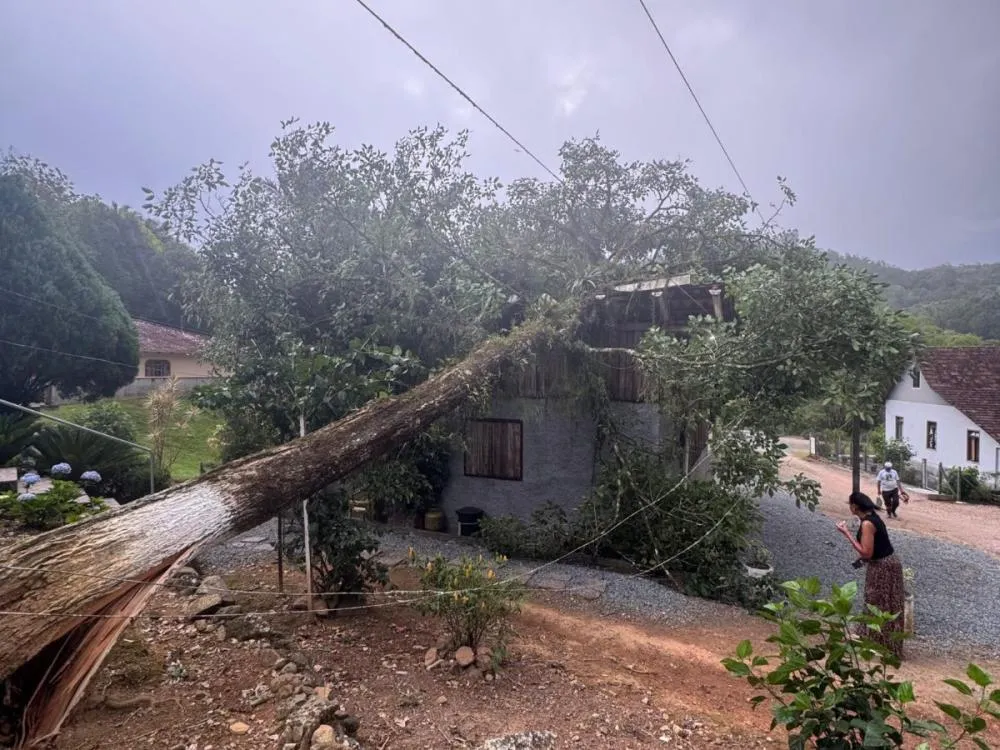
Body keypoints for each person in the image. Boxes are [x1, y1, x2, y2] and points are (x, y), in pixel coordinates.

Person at [836, 492, 904, 658]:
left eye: (850, 505)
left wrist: (846, 533)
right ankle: (884, 643)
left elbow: (866, 552)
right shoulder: (872, 517)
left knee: (876, 602)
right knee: (886, 603)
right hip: (888, 563)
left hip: (882, 566)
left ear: (854, 507)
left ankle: (877, 643)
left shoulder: (867, 523)